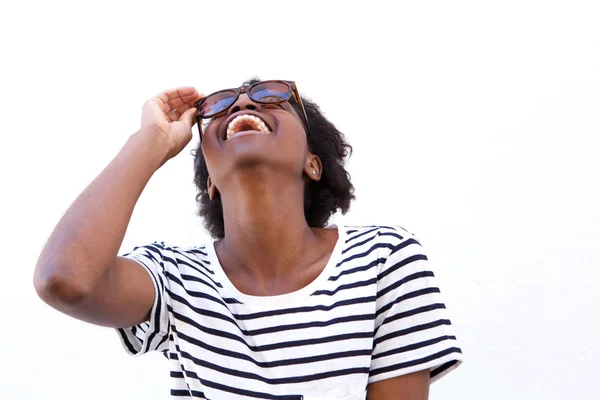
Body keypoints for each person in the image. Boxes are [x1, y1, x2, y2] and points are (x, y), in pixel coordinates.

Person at [34, 79, 463, 399]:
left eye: (273, 97)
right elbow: (66, 280)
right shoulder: (174, 278)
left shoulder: (385, 257)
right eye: (219, 106)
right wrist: (151, 142)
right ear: (211, 183)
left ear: (314, 164)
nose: (242, 101)